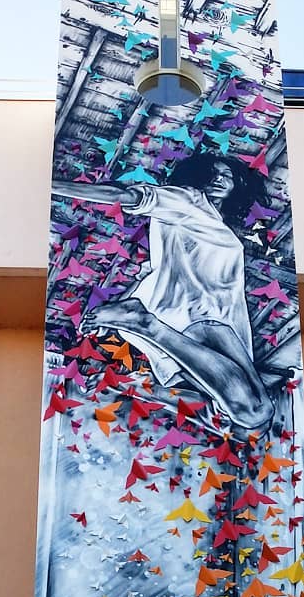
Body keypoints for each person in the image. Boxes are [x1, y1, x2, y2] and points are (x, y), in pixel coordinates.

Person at [53, 153, 276, 430]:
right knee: (252, 412)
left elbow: (153, 271)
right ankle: (146, 325)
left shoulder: (208, 217)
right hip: (198, 314)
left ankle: (140, 322)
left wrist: (120, 306)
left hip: (219, 318)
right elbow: (127, 195)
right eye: (212, 173)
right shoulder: (188, 199)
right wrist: (51, 185)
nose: (219, 179)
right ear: (197, 176)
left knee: (257, 409)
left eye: (227, 175)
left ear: (237, 185)